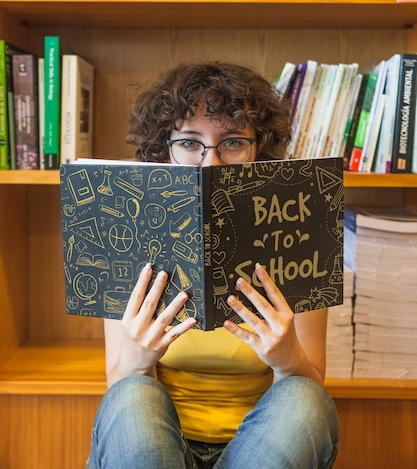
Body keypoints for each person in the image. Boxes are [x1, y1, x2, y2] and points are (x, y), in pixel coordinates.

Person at [87, 61, 339, 469]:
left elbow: (309, 405)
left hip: (257, 451)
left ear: (258, 148)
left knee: (305, 397)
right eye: (189, 143)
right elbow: (121, 398)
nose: (211, 164)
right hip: (161, 448)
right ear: (163, 149)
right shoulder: (127, 225)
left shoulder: (297, 227)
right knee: (132, 393)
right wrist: (138, 356)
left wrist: (287, 355)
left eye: (233, 142)